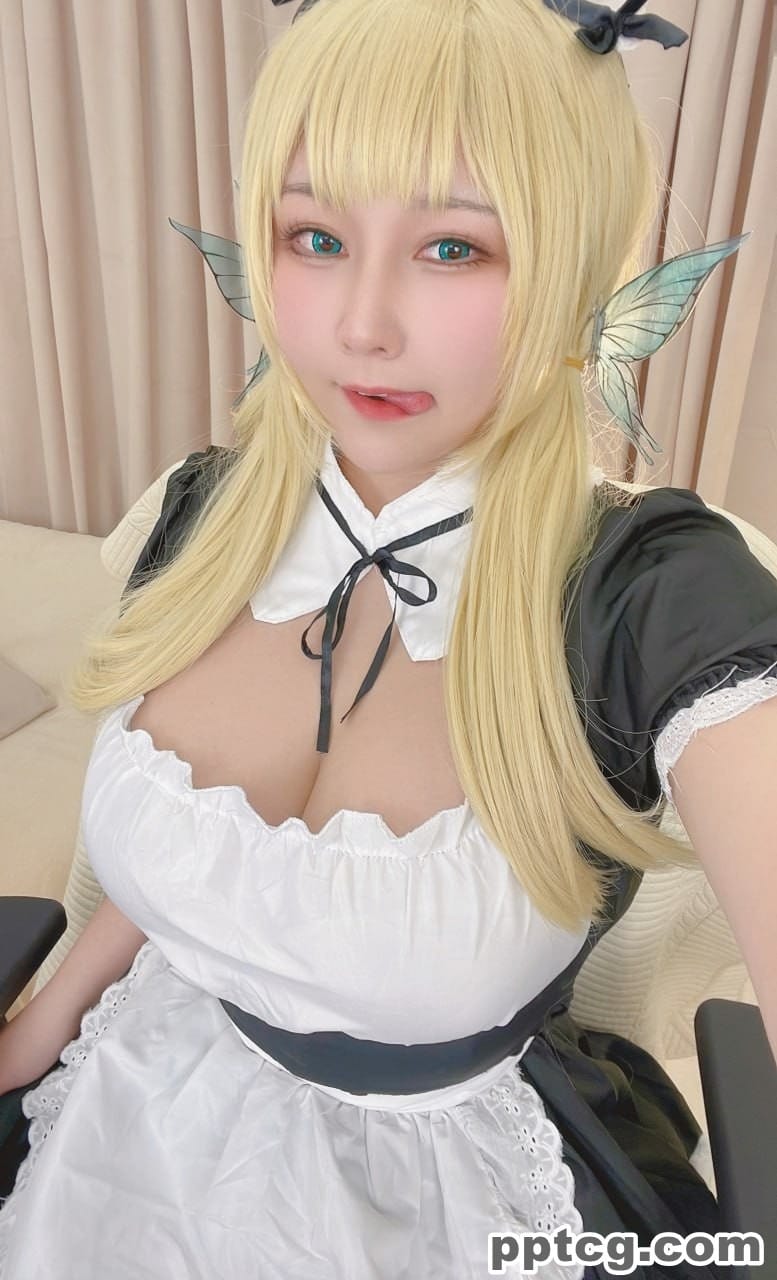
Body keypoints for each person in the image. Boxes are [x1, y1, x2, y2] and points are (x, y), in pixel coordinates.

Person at [1, 0, 775, 1275]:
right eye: (315, 236)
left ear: (573, 265)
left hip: (453, 1188)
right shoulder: (205, 514)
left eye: (453, 248)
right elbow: (195, 864)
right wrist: (40, 1031)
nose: (360, 324)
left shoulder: (646, 593)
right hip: (139, 1107)